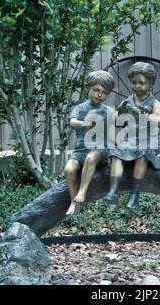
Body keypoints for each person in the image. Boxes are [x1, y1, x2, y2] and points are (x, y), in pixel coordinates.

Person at [104, 62, 160, 208]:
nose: (137, 86)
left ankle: (134, 194)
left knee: (143, 154)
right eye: (134, 82)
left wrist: (139, 110)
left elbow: (156, 120)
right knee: (116, 153)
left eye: (142, 83)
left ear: (150, 83)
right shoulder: (128, 100)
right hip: (131, 138)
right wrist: (120, 111)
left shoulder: (155, 103)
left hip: (149, 139)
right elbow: (116, 121)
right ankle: (113, 191)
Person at [64, 70, 115, 215]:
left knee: (91, 157)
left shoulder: (108, 111)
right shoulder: (80, 108)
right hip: (80, 150)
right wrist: (84, 124)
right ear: (88, 88)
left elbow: (119, 121)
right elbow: (72, 122)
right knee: (69, 169)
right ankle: (74, 202)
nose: (100, 95)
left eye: (104, 92)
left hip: (100, 150)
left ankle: (82, 192)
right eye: (96, 90)